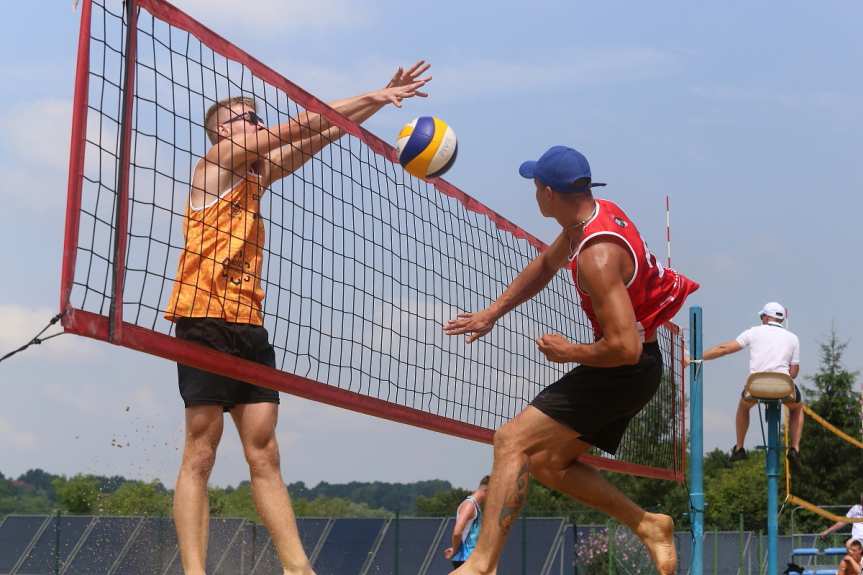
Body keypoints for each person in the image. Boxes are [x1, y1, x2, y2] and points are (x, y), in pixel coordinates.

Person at [163, 61, 431, 575]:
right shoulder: (217, 160)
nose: (258, 123)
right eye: (248, 118)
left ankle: (298, 569)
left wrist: (382, 101)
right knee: (201, 451)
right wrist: (370, 89)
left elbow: (322, 134)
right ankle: (194, 571)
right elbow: (301, 125)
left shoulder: (256, 175)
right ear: (224, 129)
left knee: (264, 453)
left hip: (248, 323)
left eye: (258, 117)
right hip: (202, 316)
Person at [444, 145, 698, 575]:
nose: (533, 193)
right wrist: (492, 312)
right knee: (546, 462)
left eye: (534, 186)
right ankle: (649, 525)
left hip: (625, 367)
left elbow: (625, 348)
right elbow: (546, 265)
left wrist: (568, 353)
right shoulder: (593, 216)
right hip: (632, 366)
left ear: (546, 191)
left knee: (511, 440)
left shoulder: (597, 256)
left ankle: (481, 565)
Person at [697, 302, 804, 466]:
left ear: (766, 317)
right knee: (796, 408)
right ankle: (795, 448)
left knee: (744, 406)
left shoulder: (753, 332)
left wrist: (698, 357)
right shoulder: (793, 338)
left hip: (756, 385)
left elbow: (724, 349)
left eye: (762, 316)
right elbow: (794, 372)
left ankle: (739, 447)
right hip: (783, 386)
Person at [444, 476, 491, 569]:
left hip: (471, 560)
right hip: (467, 560)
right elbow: (457, 532)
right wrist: (455, 550)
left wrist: (455, 548)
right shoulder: (469, 506)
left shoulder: (475, 506)